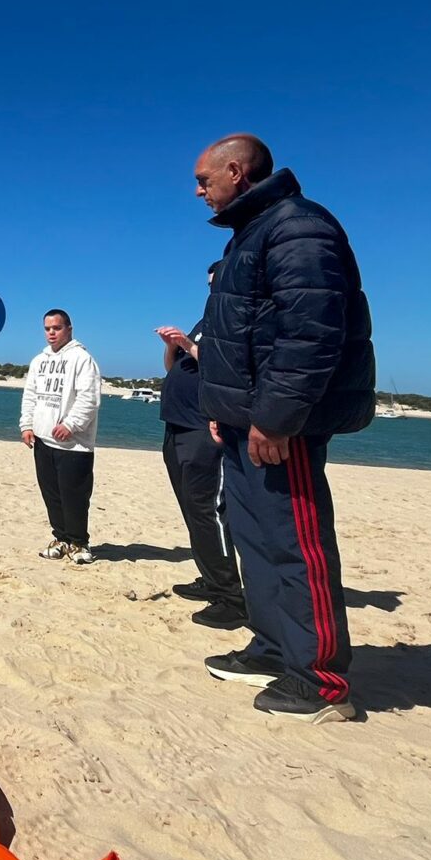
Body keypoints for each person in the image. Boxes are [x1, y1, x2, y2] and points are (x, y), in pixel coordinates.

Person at [193, 133, 375, 723]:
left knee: (296, 546)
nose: (198, 192)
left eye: (203, 180)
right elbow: (241, 337)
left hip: (280, 429)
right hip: (244, 423)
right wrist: (224, 410)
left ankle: (320, 680)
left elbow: (310, 333)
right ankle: (273, 647)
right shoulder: (252, 232)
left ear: (236, 171)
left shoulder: (298, 226)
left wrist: (274, 418)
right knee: (256, 541)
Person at [155, 262, 246, 630]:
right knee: (192, 509)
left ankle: (231, 596)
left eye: (216, 282)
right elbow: (173, 367)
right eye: (208, 283)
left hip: (204, 428)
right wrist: (172, 347)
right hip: (177, 425)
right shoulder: (204, 320)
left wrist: (189, 346)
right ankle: (210, 578)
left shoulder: (234, 318)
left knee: (209, 510)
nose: (212, 289)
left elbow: (225, 366)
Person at [19, 309, 102, 565]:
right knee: (52, 495)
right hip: (43, 440)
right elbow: (30, 395)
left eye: (57, 328)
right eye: (47, 328)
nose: (51, 333)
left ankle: (79, 543)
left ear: (69, 329)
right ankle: (61, 538)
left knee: (74, 496)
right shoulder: (39, 361)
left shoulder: (82, 359)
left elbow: (89, 398)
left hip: (74, 445)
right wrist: (27, 425)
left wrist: (71, 424)